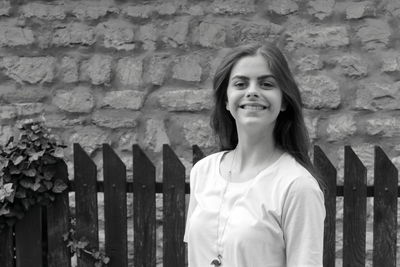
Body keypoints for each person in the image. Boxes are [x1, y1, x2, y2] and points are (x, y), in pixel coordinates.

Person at [183, 43, 326, 267]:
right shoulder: (203, 171)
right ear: (226, 101)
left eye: (266, 84)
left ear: (284, 101)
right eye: (240, 83)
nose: (252, 91)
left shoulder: (297, 186)